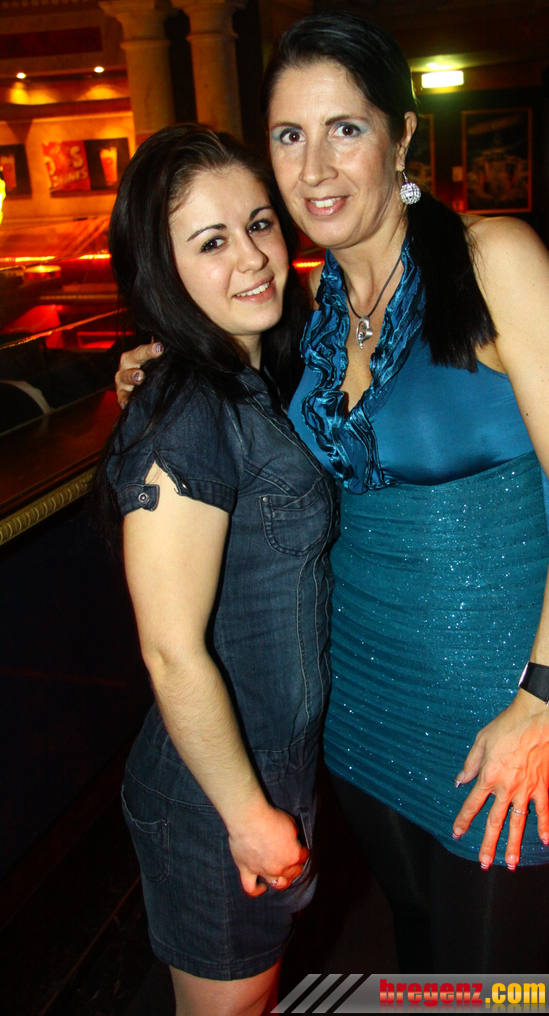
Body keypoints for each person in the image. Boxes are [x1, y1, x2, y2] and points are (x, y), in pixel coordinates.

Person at [117, 14, 549, 974]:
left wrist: (541, 702)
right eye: (288, 135)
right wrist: (158, 362)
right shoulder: (304, 312)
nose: (314, 167)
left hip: (501, 703)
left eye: (344, 128)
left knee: (494, 986)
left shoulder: (491, 262)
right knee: (420, 947)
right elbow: (229, 412)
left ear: (401, 138)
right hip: (359, 701)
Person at [98, 125, 337, 1016]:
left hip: (269, 772)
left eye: (259, 224)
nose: (252, 257)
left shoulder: (252, 378)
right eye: (210, 242)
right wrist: (247, 816)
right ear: (162, 270)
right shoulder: (190, 407)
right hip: (215, 796)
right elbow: (169, 651)